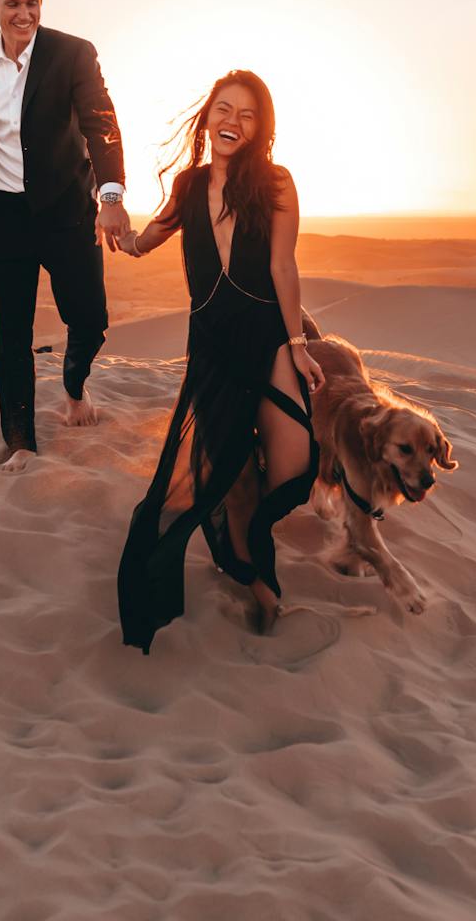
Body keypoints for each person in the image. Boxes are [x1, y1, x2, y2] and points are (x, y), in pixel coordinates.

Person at [115, 70, 325, 651]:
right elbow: (140, 242)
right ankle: (259, 583)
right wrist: (110, 215)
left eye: (248, 114)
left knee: (292, 465)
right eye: (224, 110)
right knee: (219, 478)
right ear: (208, 117)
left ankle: (248, 518)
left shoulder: (277, 184)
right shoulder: (188, 187)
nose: (233, 122)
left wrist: (298, 346)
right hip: (212, 345)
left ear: (261, 128)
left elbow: (284, 268)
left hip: (268, 338)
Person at [0, 0, 131, 473]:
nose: (24, 15)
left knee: (89, 318)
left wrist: (110, 198)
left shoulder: (73, 54)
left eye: (32, 3)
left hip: (68, 212)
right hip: (0, 217)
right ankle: (21, 441)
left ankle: (73, 384)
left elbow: (101, 124)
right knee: (10, 334)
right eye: (13, 4)